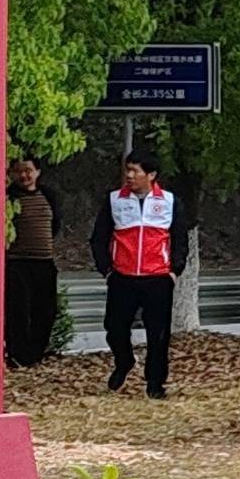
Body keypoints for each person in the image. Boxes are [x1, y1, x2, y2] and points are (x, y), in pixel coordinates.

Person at [92, 153, 189, 398]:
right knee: (114, 327)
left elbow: (180, 239)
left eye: (135, 171)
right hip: (122, 277)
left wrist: (174, 270)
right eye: (128, 170)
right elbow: (99, 238)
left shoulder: (169, 201)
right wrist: (107, 271)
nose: (129, 175)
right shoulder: (114, 200)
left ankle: (155, 383)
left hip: (157, 278)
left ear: (151, 175)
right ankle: (124, 361)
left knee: (158, 333)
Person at [1, 156, 61, 369]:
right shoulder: (8, 198)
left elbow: (55, 225)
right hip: (18, 263)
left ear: (38, 172)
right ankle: (17, 356)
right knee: (18, 312)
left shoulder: (49, 195)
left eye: (28, 170)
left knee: (46, 312)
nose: (24, 175)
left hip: (44, 262)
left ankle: (35, 354)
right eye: (18, 171)